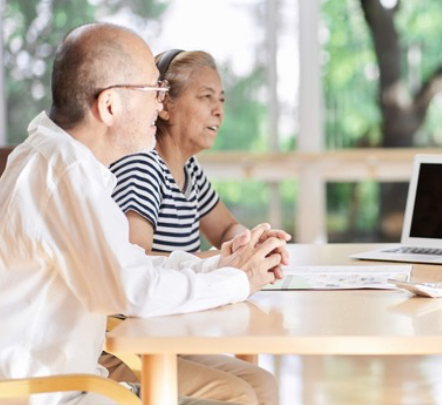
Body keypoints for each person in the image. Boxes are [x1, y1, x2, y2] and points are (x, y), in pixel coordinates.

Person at [0, 22, 288, 405]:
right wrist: (237, 280)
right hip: (52, 395)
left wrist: (222, 264)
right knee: (239, 398)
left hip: (79, 382)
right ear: (110, 105)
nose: (159, 103)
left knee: (260, 387)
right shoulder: (66, 175)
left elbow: (132, 266)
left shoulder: (69, 165)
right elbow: (133, 292)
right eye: (154, 89)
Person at [101, 49, 286, 405]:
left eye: (221, 99)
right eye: (205, 98)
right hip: (131, 336)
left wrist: (249, 244)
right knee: (242, 395)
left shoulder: (189, 170)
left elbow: (226, 227)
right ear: (164, 105)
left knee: (263, 385)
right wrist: (226, 263)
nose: (219, 110)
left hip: (166, 328)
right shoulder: (143, 167)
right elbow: (136, 258)